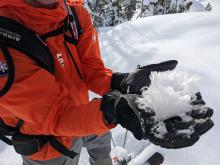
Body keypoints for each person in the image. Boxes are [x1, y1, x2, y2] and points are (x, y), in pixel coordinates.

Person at [0, 0, 214, 165]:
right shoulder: (6, 39)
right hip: (49, 146)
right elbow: (56, 115)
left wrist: (120, 81)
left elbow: (91, 69)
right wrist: (113, 110)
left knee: (101, 139)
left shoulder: (74, 15)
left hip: (85, 114)